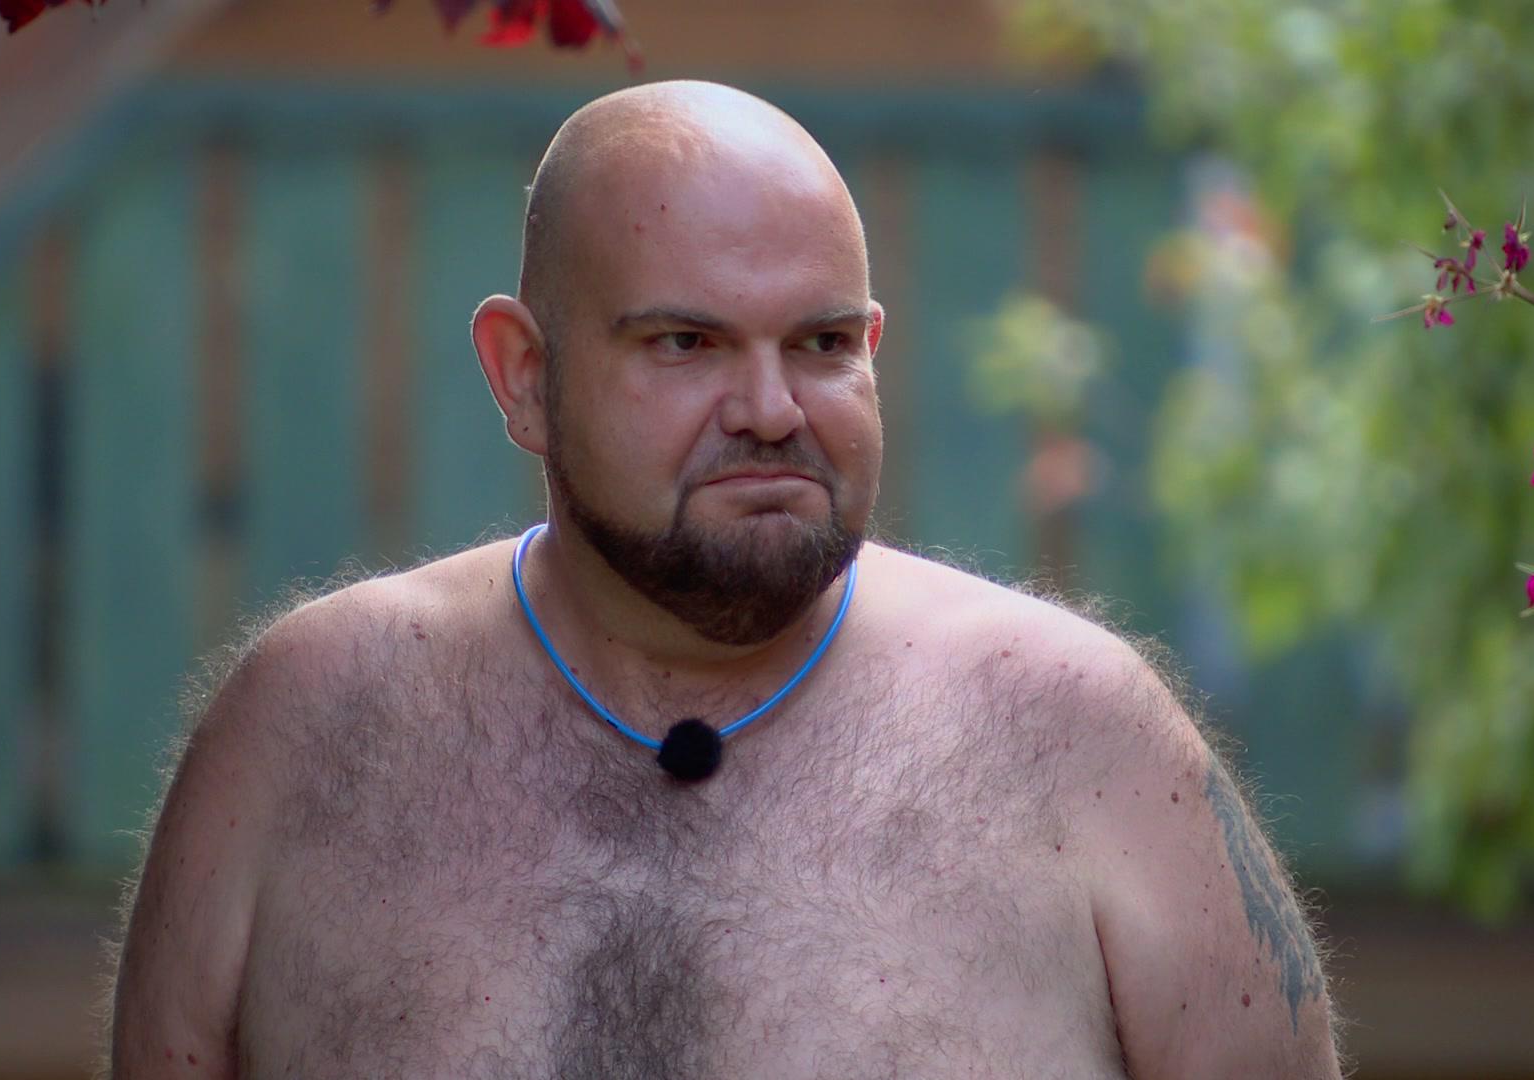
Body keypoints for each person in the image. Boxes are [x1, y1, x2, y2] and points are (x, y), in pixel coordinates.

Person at [109, 79, 1342, 1078]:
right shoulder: (308, 727)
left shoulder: (1080, 733)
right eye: (685, 342)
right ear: (524, 375)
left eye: (821, 344)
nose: (769, 409)